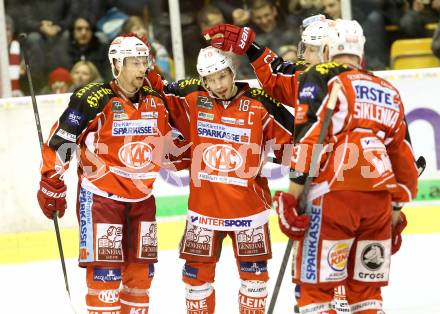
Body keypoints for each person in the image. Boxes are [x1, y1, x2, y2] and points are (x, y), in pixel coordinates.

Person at [272, 19, 418, 313]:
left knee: (317, 292)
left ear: (327, 50)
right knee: (367, 294)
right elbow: (402, 154)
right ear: (361, 52)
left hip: (334, 197)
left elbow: (309, 140)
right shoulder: (387, 89)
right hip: (378, 201)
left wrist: (292, 195)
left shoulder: (323, 77)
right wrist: (397, 208)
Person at [36, 33, 185, 314]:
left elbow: (174, 146)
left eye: (145, 62)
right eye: (135, 63)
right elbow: (64, 139)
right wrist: (51, 181)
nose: (143, 69)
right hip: (102, 200)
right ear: (116, 64)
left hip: (143, 200)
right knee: (106, 277)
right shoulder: (94, 98)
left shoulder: (156, 102)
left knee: (141, 279)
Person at [148, 46, 294, 314]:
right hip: (203, 213)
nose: (218, 85)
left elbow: (296, 141)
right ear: (203, 80)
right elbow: (155, 86)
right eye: (211, 80)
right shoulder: (191, 97)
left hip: (249, 212)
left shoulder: (260, 103)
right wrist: (143, 60)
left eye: (223, 76)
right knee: (195, 281)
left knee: (255, 282)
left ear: (233, 72)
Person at [203, 15, 331, 313]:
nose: (304, 55)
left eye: (310, 49)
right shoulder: (309, 77)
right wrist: (252, 48)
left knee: (328, 270)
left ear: (327, 50)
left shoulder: (325, 81)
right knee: (320, 272)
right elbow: (276, 78)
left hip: (330, 189)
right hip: (322, 188)